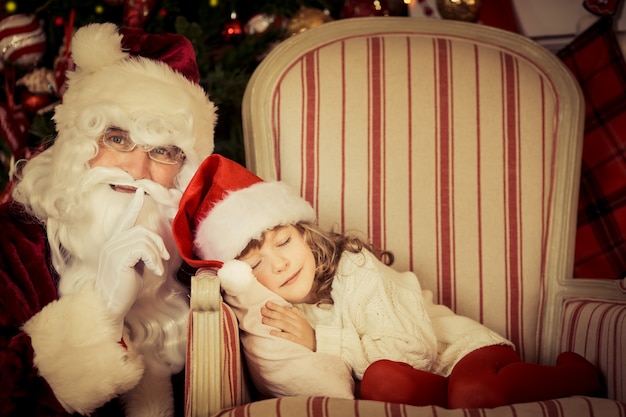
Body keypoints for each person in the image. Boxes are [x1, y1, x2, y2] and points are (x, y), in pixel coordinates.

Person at [175, 155, 604, 409]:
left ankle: (576, 378)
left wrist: (319, 340)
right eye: (255, 263)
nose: (281, 263)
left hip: (460, 354)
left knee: (471, 391)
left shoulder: (354, 267)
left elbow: (415, 351)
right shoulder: (283, 312)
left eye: (284, 241)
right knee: (382, 382)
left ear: (306, 233)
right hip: (427, 386)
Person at [0, 22, 216, 417]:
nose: (136, 169)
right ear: (76, 147)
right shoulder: (13, 247)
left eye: (163, 150)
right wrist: (103, 312)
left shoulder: (204, 257)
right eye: (117, 139)